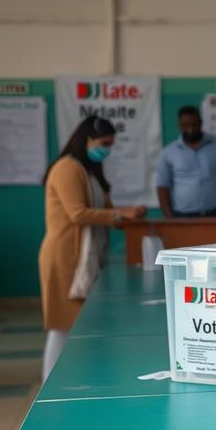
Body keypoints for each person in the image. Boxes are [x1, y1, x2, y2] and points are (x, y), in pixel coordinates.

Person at [39, 116, 146, 381]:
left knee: (80, 323)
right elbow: (78, 214)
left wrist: (128, 218)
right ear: (86, 140)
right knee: (62, 324)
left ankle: (76, 377)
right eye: (104, 143)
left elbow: (106, 213)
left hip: (86, 255)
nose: (107, 149)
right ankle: (49, 382)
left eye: (111, 144)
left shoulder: (90, 171)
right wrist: (120, 214)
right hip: (65, 256)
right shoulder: (67, 168)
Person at [155, 106, 216, 217]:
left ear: (201, 123)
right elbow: (162, 185)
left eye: (194, 125)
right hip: (183, 216)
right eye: (185, 126)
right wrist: (168, 215)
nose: (190, 130)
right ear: (179, 126)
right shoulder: (168, 152)